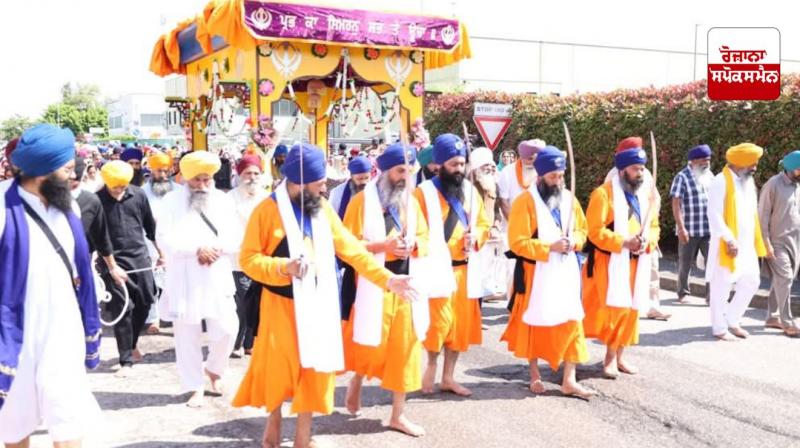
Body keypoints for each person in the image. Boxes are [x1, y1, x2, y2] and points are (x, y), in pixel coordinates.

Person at [231, 143, 417, 448]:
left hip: (319, 302)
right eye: (320, 183)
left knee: (314, 369)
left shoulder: (322, 208)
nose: (325, 187)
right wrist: (283, 267)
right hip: (281, 304)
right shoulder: (266, 211)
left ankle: (303, 438)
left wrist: (388, 279)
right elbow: (249, 260)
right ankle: (273, 429)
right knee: (280, 370)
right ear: (300, 182)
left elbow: (352, 251)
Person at [0, 124, 102, 447]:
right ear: (42, 172)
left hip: (63, 329)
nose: (74, 177)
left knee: (68, 419)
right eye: (67, 169)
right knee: (15, 426)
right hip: (16, 332)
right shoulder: (3, 206)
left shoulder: (67, 204)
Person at [341, 143, 430, 437]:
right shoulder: (360, 202)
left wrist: (413, 245)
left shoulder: (412, 201)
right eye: (399, 170)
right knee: (371, 344)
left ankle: (397, 415)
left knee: (405, 349)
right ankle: (358, 378)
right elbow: (347, 246)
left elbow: (426, 237)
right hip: (373, 285)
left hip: (406, 285)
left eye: (408, 170)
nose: (404, 176)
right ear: (384, 171)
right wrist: (383, 246)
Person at [502, 146, 594, 399]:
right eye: (553, 177)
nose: (559, 181)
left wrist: (574, 242)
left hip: (566, 270)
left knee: (572, 320)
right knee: (534, 322)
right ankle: (534, 374)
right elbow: (517, 242)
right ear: (540, 177)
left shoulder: (570, 199)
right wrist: (548, 247)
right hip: (535, 274)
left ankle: (569, 379)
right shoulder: (525, 201)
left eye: (561, 176)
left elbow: (582, 232)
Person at [156, 151, 241, 407]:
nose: (202, 185)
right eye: (197, 180)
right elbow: (164, 237)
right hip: (184, 276)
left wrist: (216, 248)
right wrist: (196, 249)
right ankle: (194, 386)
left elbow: (236, 236)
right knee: (186, 334)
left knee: (227, 328)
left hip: (216, 271)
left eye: (207, 179)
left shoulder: (223, 200)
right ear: (185, 179)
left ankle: (215, 370)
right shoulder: (171, 201)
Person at [413, 133, 491, 396]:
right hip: (437, 270)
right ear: (439, 165)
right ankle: (431, 369)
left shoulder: (470, 191)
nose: (459, 170)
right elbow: (415, 231)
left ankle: (448, 377)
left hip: (465, 270)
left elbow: (482, 223)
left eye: (462, 164)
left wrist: (477, 236)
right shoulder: (422, 194)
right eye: (453, 164)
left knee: (458, 327)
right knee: (438, 325)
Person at [582, 147, 660, 378]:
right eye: (636, 168)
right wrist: (624, 242)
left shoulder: (643, 196)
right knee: (615, 309)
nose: (640, 173)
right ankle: (608, 359)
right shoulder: (603, 194)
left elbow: (654, 225)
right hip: (610, 262)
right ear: (622, 170)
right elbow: (594, 231)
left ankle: (620, 357)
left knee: (632, 310)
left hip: (638, 260)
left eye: (643, 169)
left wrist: (648, 241)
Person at [98, 160, 162, 375]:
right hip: (112, 261)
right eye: (115, 186)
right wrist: (111, 267)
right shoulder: (96, 201)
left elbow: (150, 227)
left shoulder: (138, 195)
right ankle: (125, 360)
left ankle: (131, 343)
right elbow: (96, 237)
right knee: (123, 309)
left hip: (140, 259)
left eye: (123, 186)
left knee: (145, 303)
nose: (119, 190)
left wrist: (161, 253)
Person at [706, 143, 767, 341]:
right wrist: (729, 239)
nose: (755, 167)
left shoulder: (747, 182)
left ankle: (732, 319)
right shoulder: (720, 182)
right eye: (752, 163)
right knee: (721, 286)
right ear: (741, 163)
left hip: (747, 244)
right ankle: (719, 327)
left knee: (752, 281)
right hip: (727, 244)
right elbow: (714, 214)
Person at [228, 154, 269, 356]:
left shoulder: (267, 198)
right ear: (238, 174)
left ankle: (249, 343)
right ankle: (238, 343)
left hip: (262, 259)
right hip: (237, 260)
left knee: (258, 301)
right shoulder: (229, 199)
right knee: (242, 302)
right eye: (247, 173)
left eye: (255, 173)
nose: (252, 177)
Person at [758, 150, 800, 337]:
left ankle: (772, 317)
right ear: (791, 168)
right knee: (786, 278)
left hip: (795, 241)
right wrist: (766, 243)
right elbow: (762, 216)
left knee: (781, 280)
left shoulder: (798, 185)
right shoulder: (772, 185)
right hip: (777, 241)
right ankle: (787, 321)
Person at [141, 149, 181, 335]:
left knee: (176, 280)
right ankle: (153, 318)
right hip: (149, 244)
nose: (163, 175)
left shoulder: (181, 192)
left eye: (166, 170)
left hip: (175, 244)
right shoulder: (141, 193)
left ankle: (176, 317)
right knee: (151, 284)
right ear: (151, 170)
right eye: (159, 171)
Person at [670, 145, 714, 304]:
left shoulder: (710, 175)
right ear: (693, 160)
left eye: (708, 159)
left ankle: (711, 296)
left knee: (712, 263)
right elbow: (676, 203)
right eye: (703, 159)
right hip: (688, 229)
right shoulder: (681, 177)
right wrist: (681, 228)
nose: (707, 162)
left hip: (708, 229)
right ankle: (683, 293)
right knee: (685, 263)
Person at [468, 147, 505, 303]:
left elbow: (497, 210)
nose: (490, 168)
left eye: (491, 166)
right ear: (476, 169)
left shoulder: (494, 186)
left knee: (486, 275)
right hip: (473, 238)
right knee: (473, 278)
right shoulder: (468, 188)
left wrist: (496, 226)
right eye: (485, 166)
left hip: (491, 237)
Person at [498, 139, 545, 220]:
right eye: (530, 159)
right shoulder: (507, 172)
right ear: (522, 157)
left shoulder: (544, 170)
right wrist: (515, 225)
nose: (533, 163)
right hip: (513, 224)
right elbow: (503, 202)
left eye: (537, 159)